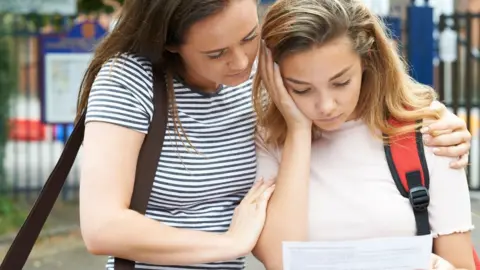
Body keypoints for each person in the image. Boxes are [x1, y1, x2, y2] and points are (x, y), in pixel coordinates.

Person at [77, 0, 472, 269]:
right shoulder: (129, 79)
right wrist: (231, 244)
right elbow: (102, 227)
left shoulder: (265, 75)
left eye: (250, 36)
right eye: (216, 54)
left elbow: (342, 70)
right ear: (170, 44)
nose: (241, 61)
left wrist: (436, 122)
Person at [252, 0, 475, 269]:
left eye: (341, 82)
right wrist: (299, 131)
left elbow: (460, 263)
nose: (325, 106)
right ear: (274, 77)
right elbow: (279, 261)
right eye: (301, 89)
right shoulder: (269, 137)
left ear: (367, 58)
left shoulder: (428, 130)